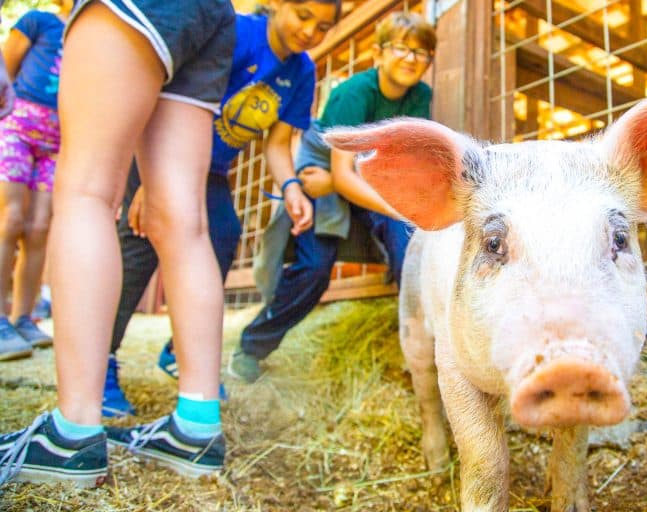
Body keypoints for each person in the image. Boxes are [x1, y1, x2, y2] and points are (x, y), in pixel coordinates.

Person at [0, 0, 236, 487]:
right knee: (184, 219)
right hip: (212, 12)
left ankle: (74, 432)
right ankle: (196, 426)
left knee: (85, 192)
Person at [101, 0, 341, 418]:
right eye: (303, 17)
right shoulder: (235, 33)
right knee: (138, 249)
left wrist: (291, 188)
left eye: (322, 27)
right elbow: (164, 94)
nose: (310, 32)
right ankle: (100, 362)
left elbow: (278, 144)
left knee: (223, 235)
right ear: (280, 5)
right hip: (159, 146)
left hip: (208, 167)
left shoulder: (301, 71)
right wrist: (152, 178)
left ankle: (183, 352)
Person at [229, 11, 437, 383]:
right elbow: (341, 174)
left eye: (422, 53)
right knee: (314, 267)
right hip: (327, 166)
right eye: (402, 49)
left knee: (411, 246)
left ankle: (420, 350)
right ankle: (251, 348)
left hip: (372, 174)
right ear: (378, 54)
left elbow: (404, 162)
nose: (411, 59)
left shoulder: (420, 97)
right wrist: (393, 205)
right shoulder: (353, 93)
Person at [0, 0, 72, 362]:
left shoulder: (92, 34)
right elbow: (6, 67)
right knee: (10, 220)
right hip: (16, 128)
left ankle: (23, 318)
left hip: (56, 142)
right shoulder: (38, 21)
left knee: (40, 226)